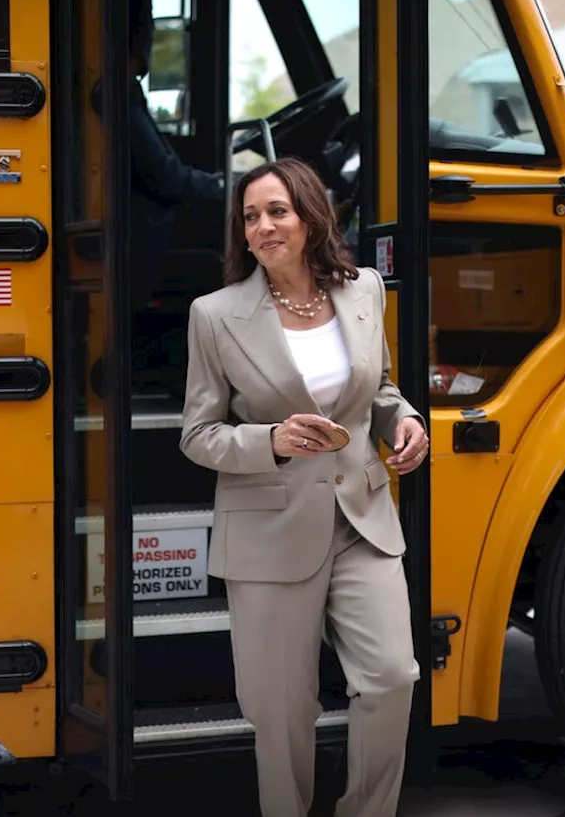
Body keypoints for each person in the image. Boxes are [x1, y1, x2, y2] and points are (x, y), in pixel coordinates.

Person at [179, 157, 428, 817]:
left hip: (362, 516)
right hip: (267, 526)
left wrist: (404, 421)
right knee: (282, 710)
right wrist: (270, 441)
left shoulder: (364, 290)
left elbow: (380, 390)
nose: (262, 226)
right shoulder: (215, 315)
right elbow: (198, 433)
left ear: (310, 216)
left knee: (392, 677)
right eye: (251, 216)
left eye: (276, 211)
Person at [127, 0, 224, 309]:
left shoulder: (118, 91)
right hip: (133, 251)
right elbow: (164, 177)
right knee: (218, 273)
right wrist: (222, 187)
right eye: (148, 21)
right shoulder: (115, 93)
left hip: (133, 240)